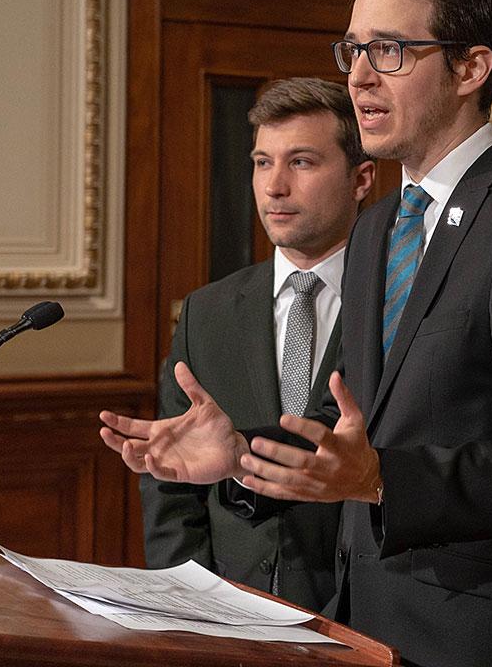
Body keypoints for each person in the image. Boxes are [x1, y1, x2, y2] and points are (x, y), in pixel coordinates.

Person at [100, 0, 492, 667]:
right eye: (354, 51)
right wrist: (243, 455)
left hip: (476, 639)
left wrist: (381, 479)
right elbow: (356, 424)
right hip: (366, 623)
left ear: (471, 68)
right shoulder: (379, 226)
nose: (360, 77)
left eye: (392, 51)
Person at [139, 77, 375, 610]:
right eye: (262, 162)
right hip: (229, 612)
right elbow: (171, 487)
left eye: (302, 162)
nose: (274, 187)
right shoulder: (207, 312)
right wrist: (194, 606)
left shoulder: (394, 303)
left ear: (361, 178)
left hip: (360, 617)